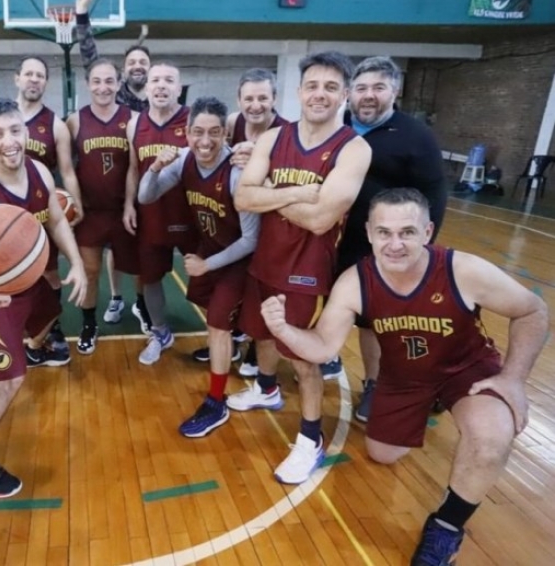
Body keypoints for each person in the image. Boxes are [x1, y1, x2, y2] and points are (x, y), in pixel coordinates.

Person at [260, 187, 548, 566]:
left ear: (427, 232)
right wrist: (284, 331)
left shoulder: (462, 270)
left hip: (467, 371)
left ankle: (446, 527)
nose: (395, 244)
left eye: (407, 232)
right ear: (368, 232)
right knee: (383, 454)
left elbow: (533, 310)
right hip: (404, 379)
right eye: (384, 232)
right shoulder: (355, 281)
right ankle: (433, 407)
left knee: (491, 439)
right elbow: (323, 347)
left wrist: (512, 378)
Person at [230, 51, 372, 484]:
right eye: (312, 85)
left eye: (331, 87)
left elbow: (321, 219)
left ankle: (310, 440)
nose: (320, 94)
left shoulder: (354, 148)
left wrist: (272, 189)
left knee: (305, 358)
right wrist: (298, 191)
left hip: (308, 269)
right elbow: (243, 198)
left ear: (344, 94)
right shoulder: (275, 138)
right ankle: (267, 390)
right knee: (262, 333)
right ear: (299, 91)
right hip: (266, 259)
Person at [0, 98, 87, 497]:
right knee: (9, 378)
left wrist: (77, 263)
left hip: (28, 282)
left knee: (52, 309)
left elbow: (58, 217)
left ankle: (32, 346)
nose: (9, 141)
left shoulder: (40, 171)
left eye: (15, 131)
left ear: (26, 132)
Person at [331, 56, 449, 422]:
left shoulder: (416, 136)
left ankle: (378, 384)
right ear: (350, 93)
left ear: (394, 92)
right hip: (342, 240)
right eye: (362, 88)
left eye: (379, 88)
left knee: (381, 322)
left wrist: (417, 249)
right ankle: (331, 358)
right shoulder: (341, 127)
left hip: (387, 247)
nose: (369, 96)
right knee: (349, 310)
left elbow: (434, 194)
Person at [138, 96, 265, 436]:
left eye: (213, 133)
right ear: (187, 132)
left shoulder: (238, 173)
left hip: (241, 258)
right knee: (209, 307)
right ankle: (235, 344)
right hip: (211, 249)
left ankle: (216, 401)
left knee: (218, 323)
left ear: (226, 132)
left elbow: (251, 240)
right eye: (197, 132)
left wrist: (208, 265)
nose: (204, 141)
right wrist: (153, 167)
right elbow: (145, 197)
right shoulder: (183, 160)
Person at [0, 56, 84, 351]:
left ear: (46, 83)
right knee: (3, 274)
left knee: (48, 273)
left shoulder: (55, 125)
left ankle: (51, 329)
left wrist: (76, 203)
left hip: (38, 211)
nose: (34, 79)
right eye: (29, 74)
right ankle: (12, 328)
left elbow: (67, 171)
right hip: (3, 212)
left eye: (40, 75)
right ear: (17, 78)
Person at [192, 68, 290, 374]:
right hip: (238, 220)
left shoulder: (287, 134)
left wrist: (263, 168)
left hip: (276, 225)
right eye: (249, 98)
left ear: (274, 98)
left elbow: (290, 184)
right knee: (231, 291)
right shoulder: (234, 123)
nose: (256, 104)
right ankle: (234, 344)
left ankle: (256, 353)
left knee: (265, 297)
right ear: (239, 100)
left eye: (263, 97)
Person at [76, 0, 153, 330]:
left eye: (143, 63)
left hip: (139, 197)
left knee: (137, 261)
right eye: (132, 62)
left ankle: (140, 304)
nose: (137, 67)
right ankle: (114, 299)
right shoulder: (108, 97)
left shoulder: (155, 101)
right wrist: (82, 13)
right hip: (99, 204)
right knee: (102, 261)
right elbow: (91, 57)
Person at [65, 59, 139, 355]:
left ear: (119, 84)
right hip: (90, 213)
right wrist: (70, 202)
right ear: (88, 84)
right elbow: (66, 166)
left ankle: (143, 310)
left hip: (123, 210)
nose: (103, 87)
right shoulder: (75, 121)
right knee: (90, 272)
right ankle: (88, 323)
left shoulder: (132, 118)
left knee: (138, 269)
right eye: (97, 81)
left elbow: (135, 166)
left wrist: (132, 204)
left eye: (109, 81)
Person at [127, 62, 197, 365]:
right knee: (151, 278)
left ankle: (224, 332)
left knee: (209, 274)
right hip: (151, 213)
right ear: (146, 88)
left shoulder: (194, 118)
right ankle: (160, 333)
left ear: (178, 88)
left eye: (169, 80)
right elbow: (132, 169)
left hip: (192, 213)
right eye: (155, 80)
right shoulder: (134, 124)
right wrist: (129, 204)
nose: (161, 85)